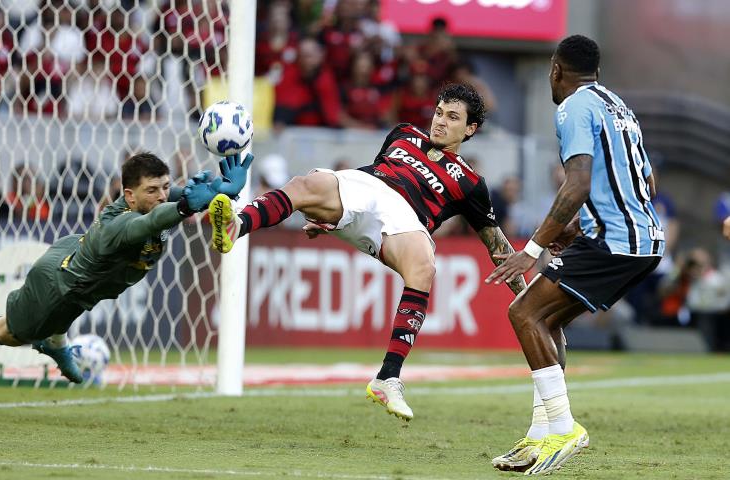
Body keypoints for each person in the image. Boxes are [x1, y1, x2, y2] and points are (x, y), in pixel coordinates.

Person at [198, 83, 526, 421]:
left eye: (453, 117)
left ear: (470, 129)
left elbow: (496, 244)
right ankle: (237, 224)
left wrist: (527, 297)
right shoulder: (403, 133)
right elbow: (370, 180)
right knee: (307, 184)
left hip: (408, 218)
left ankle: (387, 377)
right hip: (369, 185)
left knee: (424, 267)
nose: (440, 121)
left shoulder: (471, 183)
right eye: (439, 112)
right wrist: (334, 219)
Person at [485, 35, 664, 475]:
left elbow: (577, 184)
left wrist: (532, 250)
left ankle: (564, 427)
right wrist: (576, 228)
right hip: (640, 240)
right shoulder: (619, 106)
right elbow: (647, 185)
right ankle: (540, 436)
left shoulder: (572, 108)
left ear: (555, 69)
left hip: (616, 242)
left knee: (524, 313)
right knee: (548, 320)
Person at [0, 152, 252, 382]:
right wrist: (183, 206)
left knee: (76, 303)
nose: (162, 196)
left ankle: (54, 341)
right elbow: (152, 221)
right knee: (8, 332)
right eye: (152, 191)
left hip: (77, 266)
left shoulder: (155, 199)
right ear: (129, 196)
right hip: (58, 287)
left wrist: (218, 190)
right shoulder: (123, 225)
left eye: (165, 187)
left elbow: (178, 197)